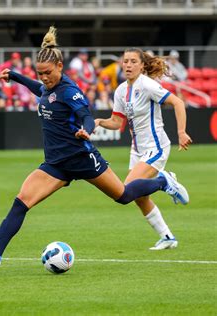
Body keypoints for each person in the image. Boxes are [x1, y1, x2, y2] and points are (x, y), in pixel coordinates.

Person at [0, 27, 189, 268]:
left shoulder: (70, 91)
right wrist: (16, 77)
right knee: (22, 201)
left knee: (123, 196)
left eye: (48, 73)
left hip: (82, 157)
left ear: (60, 66)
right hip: (56, 164)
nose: (44, 77)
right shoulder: (48, 87)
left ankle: (163, 182)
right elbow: (40, 89)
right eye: (40, 73)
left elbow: (86, 116)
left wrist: (87, 129)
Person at [95, 47, 192, 250]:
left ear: (141, 65)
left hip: (155, 147)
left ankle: (164, 181)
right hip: (137, 150)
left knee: (125, 191)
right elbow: (116, 122)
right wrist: (99, 122)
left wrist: (181, 132)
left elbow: (178, 102)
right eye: (125, 61)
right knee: (139, 197)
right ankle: (167, 237)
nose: (128, 65)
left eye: (132, 61)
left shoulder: (148, 85)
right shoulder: (121, 90)